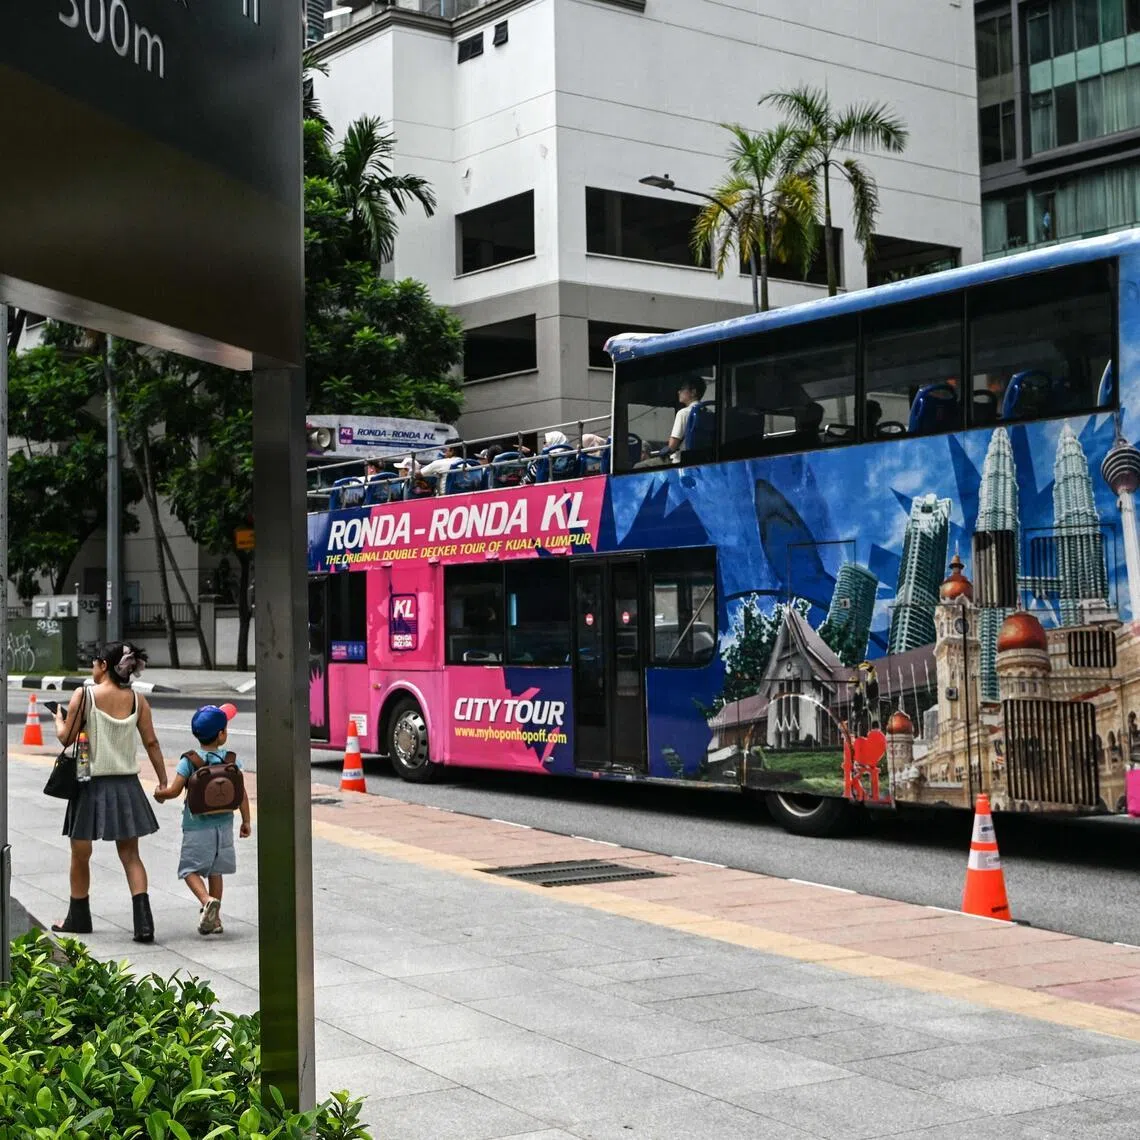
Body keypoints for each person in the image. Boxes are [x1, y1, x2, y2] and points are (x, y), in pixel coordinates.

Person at [52, 642, 168, 943]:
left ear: (104, 665)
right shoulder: (138, 701)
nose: (92, 667)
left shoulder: (86, 694)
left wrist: (59, 720)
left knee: (80, 853)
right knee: (131, 855)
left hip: (89, 782)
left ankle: (79, 917)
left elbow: (66, 738)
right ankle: (144, 924)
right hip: (127, 786)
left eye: (94, 662)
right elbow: (152, 743)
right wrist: (163, 782)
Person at [154, 704, 251, 936]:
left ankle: (206, 901)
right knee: (216, 871)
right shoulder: (231, 761)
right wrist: (246, 821)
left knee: (189, 869)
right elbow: (242, 794)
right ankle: (215, 919)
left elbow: (175, 790)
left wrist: (160, 794)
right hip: (224, 825)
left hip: (196, 826)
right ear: (221, 734)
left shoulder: (190, 761)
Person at [658, 378, 706, 462]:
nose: (679, 392)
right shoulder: (708, 413)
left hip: (680, 461)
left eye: (682, 389)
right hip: (701, 460)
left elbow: (672, 446)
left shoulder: (683, 413)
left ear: (693, 392)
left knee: (640, 466)